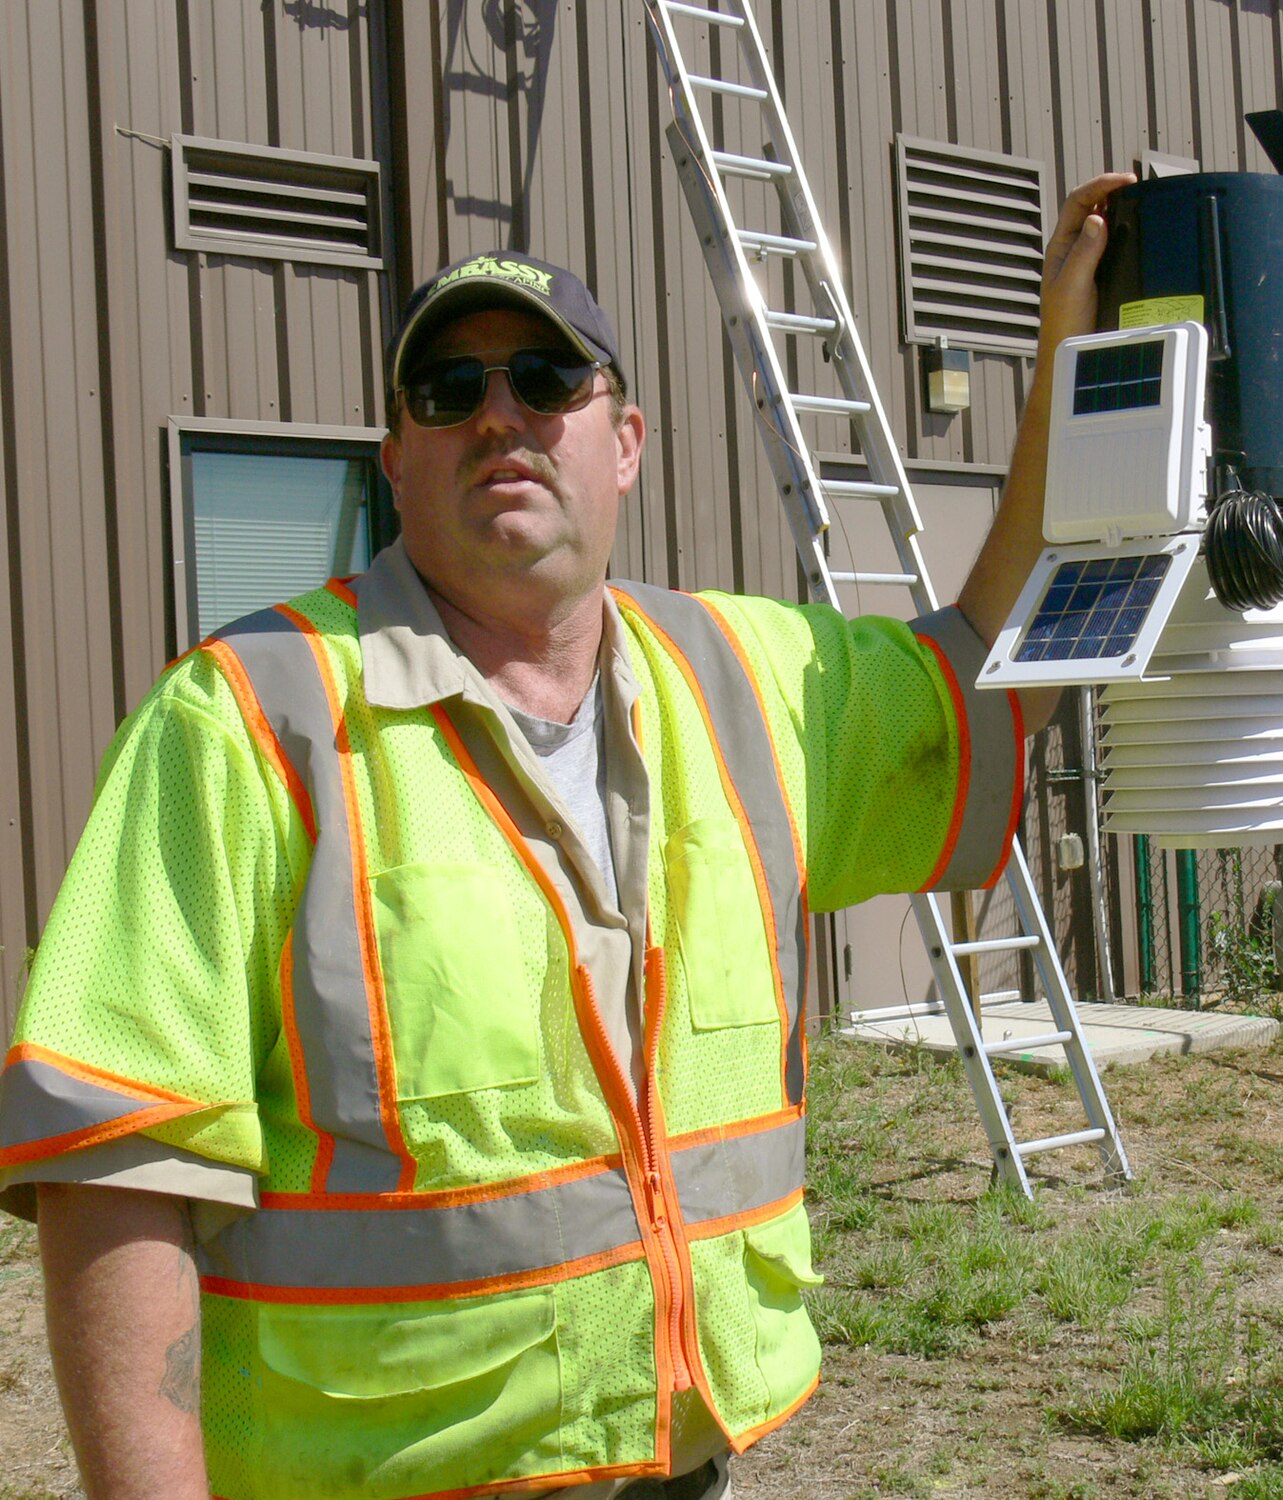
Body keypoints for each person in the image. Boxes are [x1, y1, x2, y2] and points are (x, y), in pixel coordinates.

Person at [3, 171, 1134, 1500]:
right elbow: (115, 1171)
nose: (500, 417)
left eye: (545, 380)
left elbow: (986, 669)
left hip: (685, 1466)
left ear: (626, 441)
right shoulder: (246, 721)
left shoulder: (749, 678)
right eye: (449, 391)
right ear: (398, 455)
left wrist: (1084, 360)